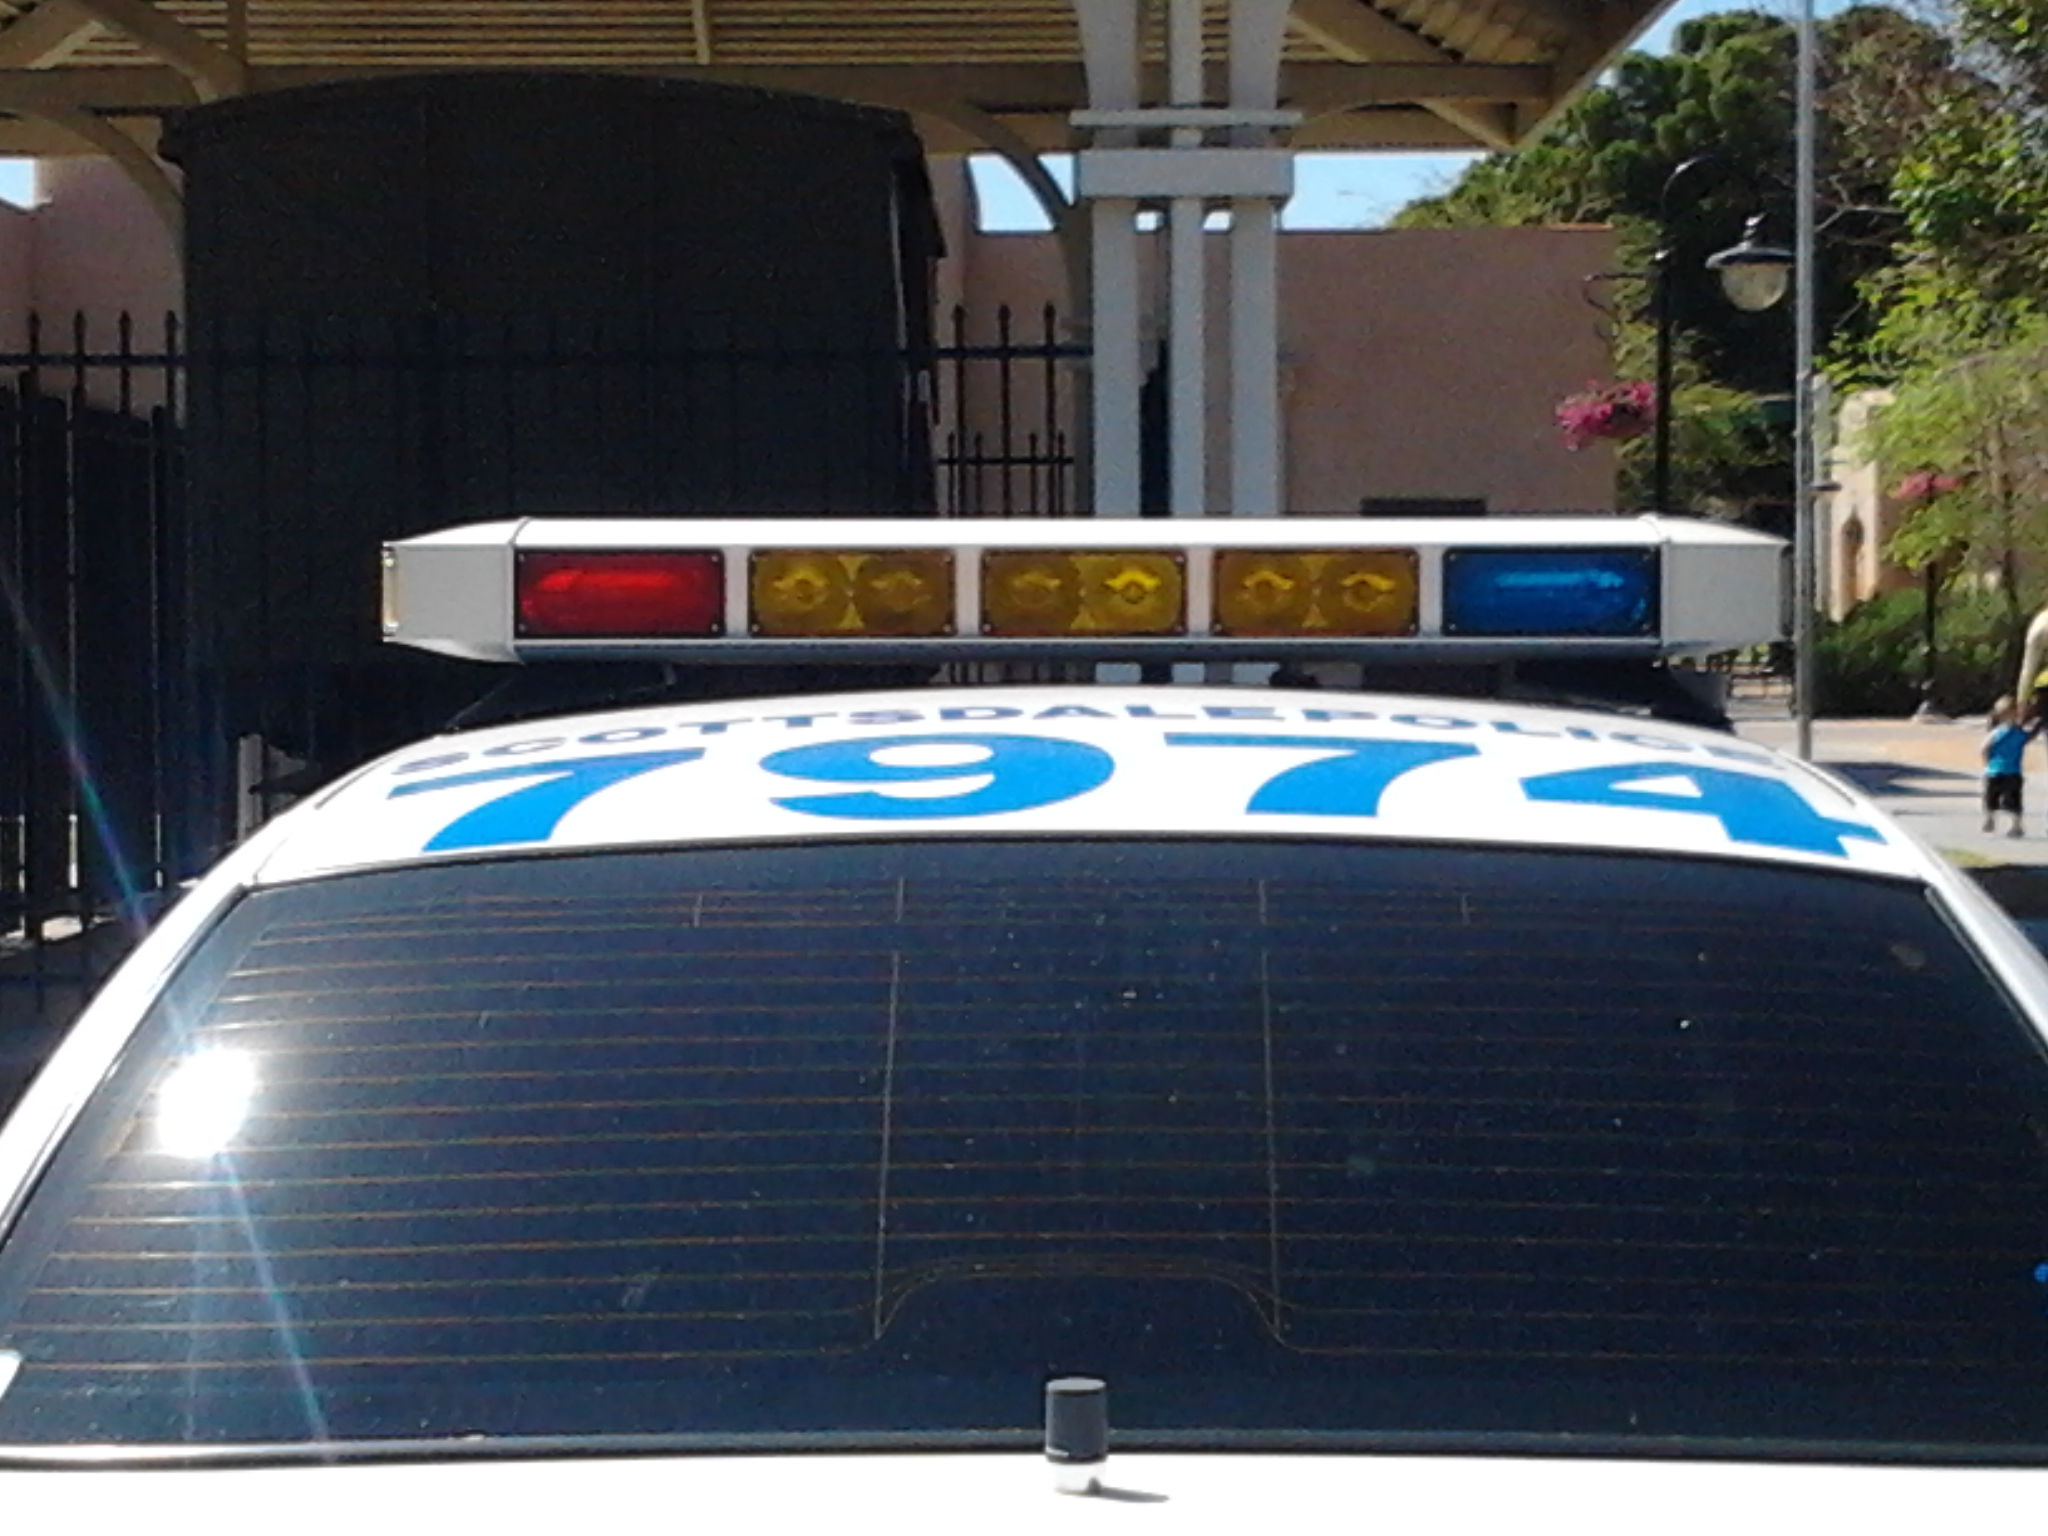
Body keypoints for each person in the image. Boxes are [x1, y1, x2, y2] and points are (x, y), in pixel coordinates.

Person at [1983, 695, 2031, 836]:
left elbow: (2028, 738)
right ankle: (1990, 819)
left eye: (2014, 713)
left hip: (2013, 771)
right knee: (1991, 797)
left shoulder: (2019, 732)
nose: (2012, 716)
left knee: (2014, 800)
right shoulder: (1997, 732)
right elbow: (1984, 748)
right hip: (1995, 771)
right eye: (2008, 714)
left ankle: (2016, 826)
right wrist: (1987, 765)